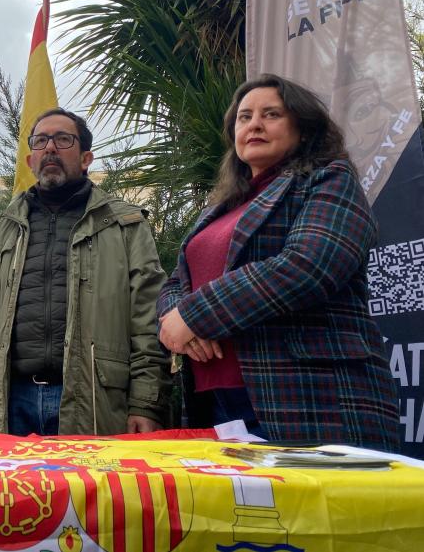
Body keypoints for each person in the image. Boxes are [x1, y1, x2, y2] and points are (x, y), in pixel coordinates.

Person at [158, 75, 398, 450]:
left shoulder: (330, 179)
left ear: (302, 130)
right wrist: (179, 322)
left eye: (271, 114)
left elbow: (309, 265)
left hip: (307, 399)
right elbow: (176, 282)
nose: (254, 124)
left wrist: (193, 316)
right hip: (217, 403)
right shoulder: (219, 209)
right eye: (244, 117)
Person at [0, 108, 170, 436]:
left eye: (63, 139)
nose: (50, 148)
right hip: (10, 401)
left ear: (86, 158)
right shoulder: (3, 229)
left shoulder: (125, 226)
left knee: (86, 490)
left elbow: (148, 319)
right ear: (30, 161)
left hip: (94, 402)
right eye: (40, 141)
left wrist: (145, 402)